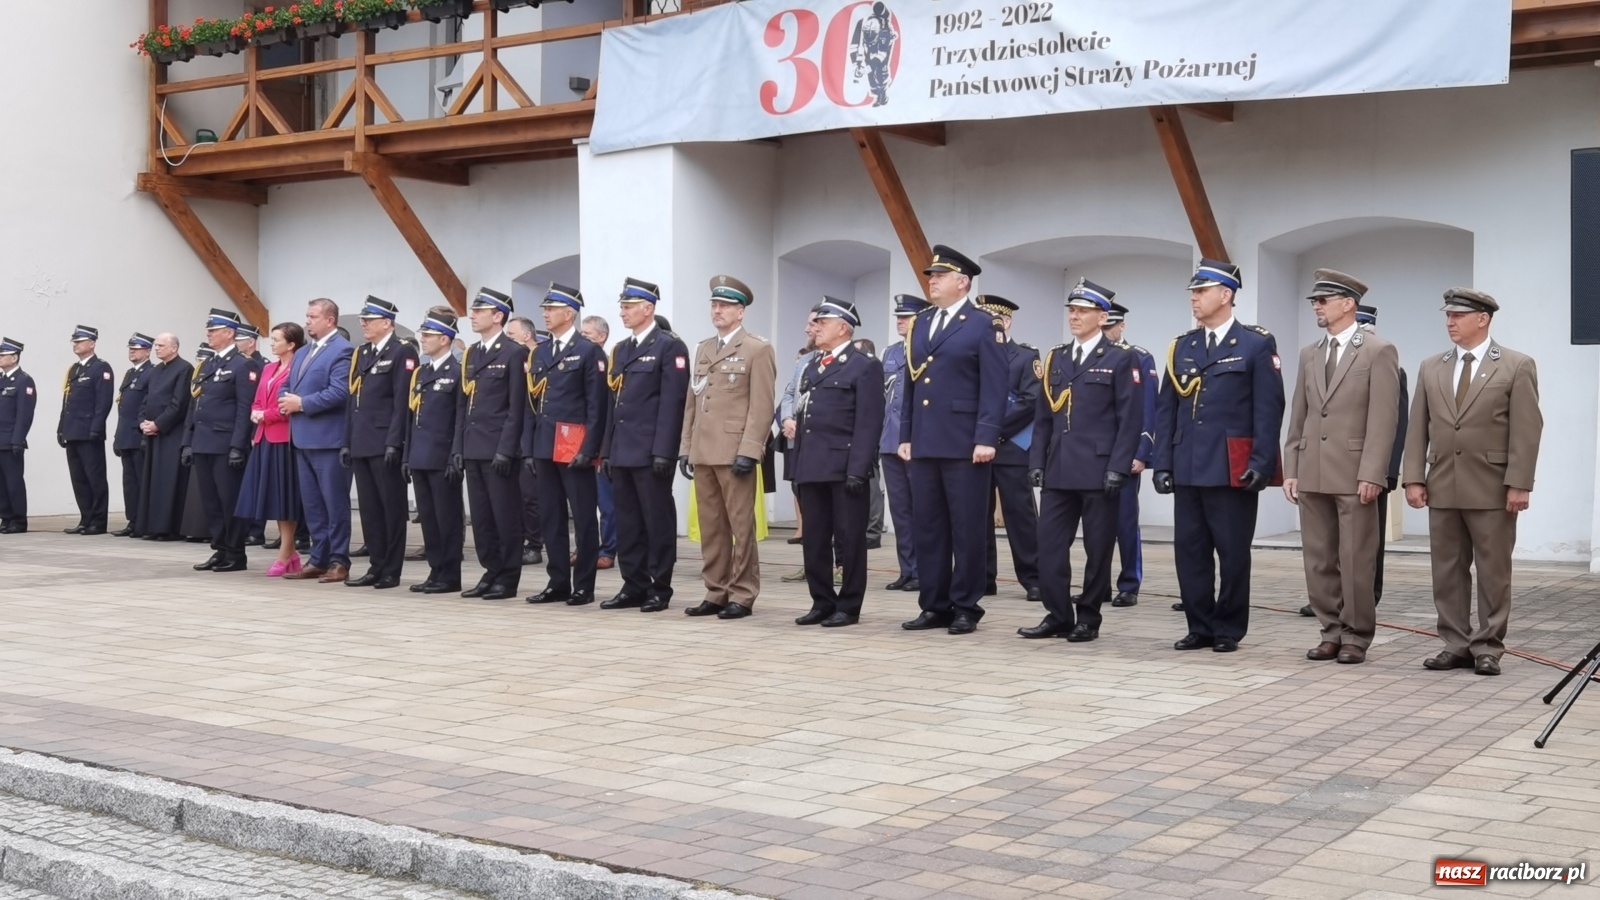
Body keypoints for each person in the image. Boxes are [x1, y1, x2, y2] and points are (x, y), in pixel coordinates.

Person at [1405, 288, 1542, 677]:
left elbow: (1527, 430)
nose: (1450, 322)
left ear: (1483, 319)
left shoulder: (1515, 365)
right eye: (1448, 316)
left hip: (1493, 487)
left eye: (1458, 316)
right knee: (1446, 570)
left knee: (1493, 571)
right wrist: (1414, 477)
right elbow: (1418, 427)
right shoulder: (1432, 366)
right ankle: (1455, 643)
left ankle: (1488, 646)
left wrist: (1519, 483)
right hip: (1443, 483)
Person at [1153, 259, 1285, 653]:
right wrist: (1163, 462)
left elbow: (1268, 408)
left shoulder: (1255, 343)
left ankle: (1227, 628)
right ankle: (1200, 625)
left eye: (1202, 291)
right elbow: (1167, 408)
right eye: (1193, 292)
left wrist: (1262, 463)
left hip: (1232, 468)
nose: (1194, 298)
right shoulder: (1182, 346)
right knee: (1189, 551)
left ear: (1225, 295)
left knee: (1231, 553)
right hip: (1189, 464)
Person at [1282, 270, 1401, 665]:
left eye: (1323, 300)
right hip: (1313, 468)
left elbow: (1384, 419)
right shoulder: (1309, 353)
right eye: (1315, 301)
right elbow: (1299, 413)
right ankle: (1329, 631)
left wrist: (1373, 472)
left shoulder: (1377, 350)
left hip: (1354, 472)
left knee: (1355, 558)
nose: (1317, 306)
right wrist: (1291, 467)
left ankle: (1355, 635)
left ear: (1348, 303)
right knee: (1317, 558)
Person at [1020, 279, 1141, 642]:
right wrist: (1036, 461)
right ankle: (1057, 614)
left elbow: (1129, 419)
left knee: (1097, 548)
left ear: (1102, 317)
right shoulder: (1057, 357)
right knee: (1050, 545)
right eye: (1072, 310)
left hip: (1099, 470)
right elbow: (1043, 417)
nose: (1075, 316)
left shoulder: (1121, 358)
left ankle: (1088, 617)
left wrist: (1119, 466)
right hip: (1059, 468)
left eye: (1083, 311)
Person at [898, 245, 1008, 635]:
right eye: (931, 276)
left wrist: (986, 436)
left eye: (939, 276)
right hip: (926, 440)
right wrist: (906, 434)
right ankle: (933, 604)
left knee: (967, 527)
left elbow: (995, 386)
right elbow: (912, 384)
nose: (932, 281)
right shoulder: (922, 323)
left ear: (962, 282)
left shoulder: (983, 323)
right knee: (928, 526)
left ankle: (966, 605)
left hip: (965, 444)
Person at [1299, 302, 1409, 618]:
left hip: (1371, 471)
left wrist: (1385, 472)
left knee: (1364, 548)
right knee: (1328, 545)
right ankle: (1333, 601)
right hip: (1328, 469)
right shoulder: (1315, 357)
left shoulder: (1387, 365)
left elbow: (1394, 423)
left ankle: (1365, 597)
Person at [679, 275, 778, 619]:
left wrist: (750, 450)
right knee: (711, 526)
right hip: (704, 450)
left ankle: (743, 593)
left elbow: (762, 406)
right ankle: (716, 590)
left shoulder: (756, 348)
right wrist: (686, 446)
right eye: (714, 305)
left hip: (735, 450)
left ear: (741, 312)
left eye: (724, 306)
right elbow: (693, 400)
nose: (717, 311)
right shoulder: (704, 348)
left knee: (740, 526)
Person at [791, 299, 884, 627]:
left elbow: (869, 422)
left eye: (821, 322)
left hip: (845, 468)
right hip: (813, 466)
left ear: (843, 326)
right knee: (814, 538)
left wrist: (858, 468)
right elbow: (805, 417)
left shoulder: (863, 365)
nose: (814, 328)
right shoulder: (814, 364)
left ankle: (849, 605)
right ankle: (821, 601)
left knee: (850, 539)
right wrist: (797, 466)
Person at [600, 278, 688, 612]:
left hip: (651, 451)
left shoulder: (669, 346)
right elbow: (613, 404)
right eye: (621, 306)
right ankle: (633, 583)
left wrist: (665, 450)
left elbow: (672, 403)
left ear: (647, 308)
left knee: (656, 521)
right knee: (627, 522)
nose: (622, 312)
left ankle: (659, 586)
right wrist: (607, 450)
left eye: (628, 306)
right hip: (623, 450)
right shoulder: (621, 350)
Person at [523, 284, 608, 607]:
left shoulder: (588, 351)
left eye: (551, 308)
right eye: (544, 308)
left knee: (584, 517)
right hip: (545, 445)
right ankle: (557, 581)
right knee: (551, 517)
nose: (544, 313)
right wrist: (531, 448)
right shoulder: (541, 352)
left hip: (575, 447)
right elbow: (533, 405)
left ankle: (583, 585)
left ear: (568, 313)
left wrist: (589, 449)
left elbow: (596, 406)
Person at [454, 288, 527, 600]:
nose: (473, 315)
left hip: (498, 449)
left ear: (498, 316)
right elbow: (463, 406)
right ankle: (491, 570)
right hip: (474, 447)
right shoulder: (473, 353)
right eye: (473, 310)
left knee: (504, 515)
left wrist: (506, 449)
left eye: (480, 310)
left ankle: (508, 577)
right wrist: (459, 447)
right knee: (482, 517)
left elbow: (516, 407)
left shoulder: (514, 353)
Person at [341, 297, 417, 590]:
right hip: (362, 440)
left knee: (391, 508)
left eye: (369, 320)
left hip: (385, 441)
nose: (364, 324)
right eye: (363, 319)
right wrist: (347, 440)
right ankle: (375, 565)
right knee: (370, 510)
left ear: (387, 322)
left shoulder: (402, 352)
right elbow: (354, 400)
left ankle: (391, 570)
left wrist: (395, 442)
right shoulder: (362, 353)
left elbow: (401, 402)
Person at [280, 298, 355, 584]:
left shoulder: (343, 351)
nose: (307, 321)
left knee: (334, 503)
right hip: (302, 439)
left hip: (328, 440)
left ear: (330, 320)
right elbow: (289, 385)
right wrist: (286, 399)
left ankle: (339, 560)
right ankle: (319, 557)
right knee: (312, 504)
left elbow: (340, 392)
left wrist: (303, 404)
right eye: (307, 316)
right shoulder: (302, 353)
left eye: (312, 316)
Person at [182, 309, 260, 573]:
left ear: (229, 333)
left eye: (214, 330)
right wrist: (188, 441)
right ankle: (220, 549)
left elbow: (244, 408)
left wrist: (239, 445)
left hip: (226, 444)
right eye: (209, 330)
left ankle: (236, 553)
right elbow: (196, 405)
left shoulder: (243, 364)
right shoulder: (208, 364)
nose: (209, 334)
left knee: (229, 501)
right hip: (204, 442)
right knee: (211, 502)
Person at [980, 295, 1042, 602]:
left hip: (1011, 446)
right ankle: (983, 577)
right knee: (978, 514)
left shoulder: (1025, 356)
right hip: (977, 448)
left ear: (1006, 322)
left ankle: (1034, 578)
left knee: (1021, 515)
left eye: (991, 320)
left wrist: (993, 432)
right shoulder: (975, 354)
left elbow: (1031, 401)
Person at [237, 322, 306, 577]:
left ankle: (286, 552)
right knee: (275, 498)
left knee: (286, 497)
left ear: (291, 344)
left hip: (284, 437)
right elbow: (258, 398)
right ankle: (290, 552)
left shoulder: (298, 368)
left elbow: (289, 403)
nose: (272, 343)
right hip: (264, 435)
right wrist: (257, 413)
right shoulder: (268, 367)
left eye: (277, 339)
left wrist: (267, 415)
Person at [405, 311, 466, 594]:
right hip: (420, 456)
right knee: (429, 518)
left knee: (448, 519)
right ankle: (435, 570)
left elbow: (459, 418)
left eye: (428, 336)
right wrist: (407, 455)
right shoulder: (422, 372)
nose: (423, 340)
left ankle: (450, 574)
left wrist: (456, 454)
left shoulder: (457, 372)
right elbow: (412, 417)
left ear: (445, 339)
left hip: (443, 457)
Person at [1102, 302, 1157, 608]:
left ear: (1121, 326)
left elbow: (1148, 408)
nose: (1106, 332)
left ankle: (1129, 584)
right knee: (1097, 523)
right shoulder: (1094, 355)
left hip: (1125, 454)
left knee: (1125, 521)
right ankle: (1098, 585)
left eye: (1111, 326)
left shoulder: (1138, 356)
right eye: (1103, 326)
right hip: (1094, 454)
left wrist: (1142, 452)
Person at [880, 294, 925, 591]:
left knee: (922, 508)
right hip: (889, 440)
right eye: (898, 317)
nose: (900, 321)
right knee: (900, 510)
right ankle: (906, 569)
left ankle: (923, 570)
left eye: (906, 317)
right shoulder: (889, 353)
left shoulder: (927, 351)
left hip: (917, 442)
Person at [136, 333, 193, 541]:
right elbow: (146, 398)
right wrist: (142, 421)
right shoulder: (156, 370)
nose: (157, 349)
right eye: (156, 345)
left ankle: (169, 528)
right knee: (153, 480)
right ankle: (153, 525)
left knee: (169, 480)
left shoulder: (184, 369)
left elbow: (179, 403)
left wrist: (158, 424)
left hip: (171, 433)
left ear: (174, 348)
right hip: (152, 431)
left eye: (161, 345)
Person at [59, 325, 115, 535]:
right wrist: (61, 428)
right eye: (74, 341)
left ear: (92, 344)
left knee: (95, 477)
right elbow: (67, 402)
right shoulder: (75, 369)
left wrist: (96, 428)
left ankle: (98, 522)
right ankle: (85, 518)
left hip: (89, 432)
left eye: (80, 341)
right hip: (73, 431)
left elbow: (103, 402)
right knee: (79, 478)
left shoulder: (101, 368)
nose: (76, 345)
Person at [504, 316, 545, 567]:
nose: (507, 339)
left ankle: (534, 544)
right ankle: (518, 540)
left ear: (526, 336)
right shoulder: (513, 359)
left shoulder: (538, 358)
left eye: (511, 335)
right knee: (517, 495)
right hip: (514, 436)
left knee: (531, 496)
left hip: (534, 436)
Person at [581, 314, 618, 570]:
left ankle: (608, 549)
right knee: (584, 502)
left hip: (603, 443)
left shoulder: (607, 365)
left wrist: (604, 448)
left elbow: (606, 410)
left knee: (607, 504)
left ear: (601, 337)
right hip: (578, 441)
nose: (582, 339)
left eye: (587, 335)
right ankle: (586, 548)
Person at [112, 333, 155, 537]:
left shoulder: (151, 373)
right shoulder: (130, 373)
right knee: (129, 481)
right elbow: (123, 407)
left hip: (139, 435)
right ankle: (133, 520)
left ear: (147, 351)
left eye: (137, 349)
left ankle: (144, 521)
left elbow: (147, 406)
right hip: (125, 436)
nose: (132, 351)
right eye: (130, 348)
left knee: (141, 480)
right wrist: (117, 436)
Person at [235, 323, 268, 546]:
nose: (237, 344)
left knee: (256, 482)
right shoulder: (241, 364)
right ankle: (245, 527)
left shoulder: (260, 364)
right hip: (244, 429)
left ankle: (257, 529)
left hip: (256, 429)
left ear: (251, 342)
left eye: (240, 340)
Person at [0, 337, 35, 534]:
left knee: (13, 482)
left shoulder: (23, 380)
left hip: (11, 440)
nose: (0, 358)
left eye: (3, 355)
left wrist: (18, 439)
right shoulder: (1, 380)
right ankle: (6, 517)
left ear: (14, 357)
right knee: (1, 485)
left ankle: (19, 520)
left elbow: (24, 414)